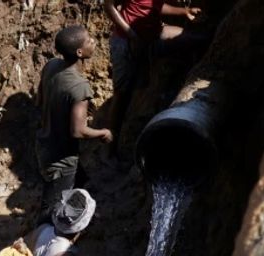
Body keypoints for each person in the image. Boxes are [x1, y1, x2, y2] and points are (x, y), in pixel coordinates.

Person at [36, 25, 112, 218]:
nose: (93, 41)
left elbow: (40, 99)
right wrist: (103, 132)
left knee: (80, 181)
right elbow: (78, 131)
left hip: (45, 142)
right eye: (88, 40)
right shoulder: (79, 87)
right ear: (79, 52)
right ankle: (41, 241)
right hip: (60, 159)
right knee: (51, 209)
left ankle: (81, 219)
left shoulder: (51, 66)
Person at [105, 0, 202, 133]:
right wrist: (132, 35)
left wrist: (184, 11)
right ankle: (109, 144)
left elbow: (156, 6)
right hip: (126, 43)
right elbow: (109, 6)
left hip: (153, 36)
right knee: (121, 95)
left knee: (196, 39)